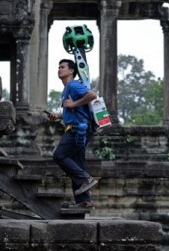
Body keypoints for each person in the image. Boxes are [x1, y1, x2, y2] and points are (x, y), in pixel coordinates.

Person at [46, 59, 99, 209]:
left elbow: (92, 95)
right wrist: (58, 115)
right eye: (58, 67)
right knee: (76, 164)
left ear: (71, 71)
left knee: (60, 155)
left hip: (77, 129)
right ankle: (84, 201)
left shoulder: (73, 85)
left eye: (62, 67)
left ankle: (85, 179)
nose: (59, 69)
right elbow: (75, 111)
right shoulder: (67, 89)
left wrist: (73, 104)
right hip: (79, 127)